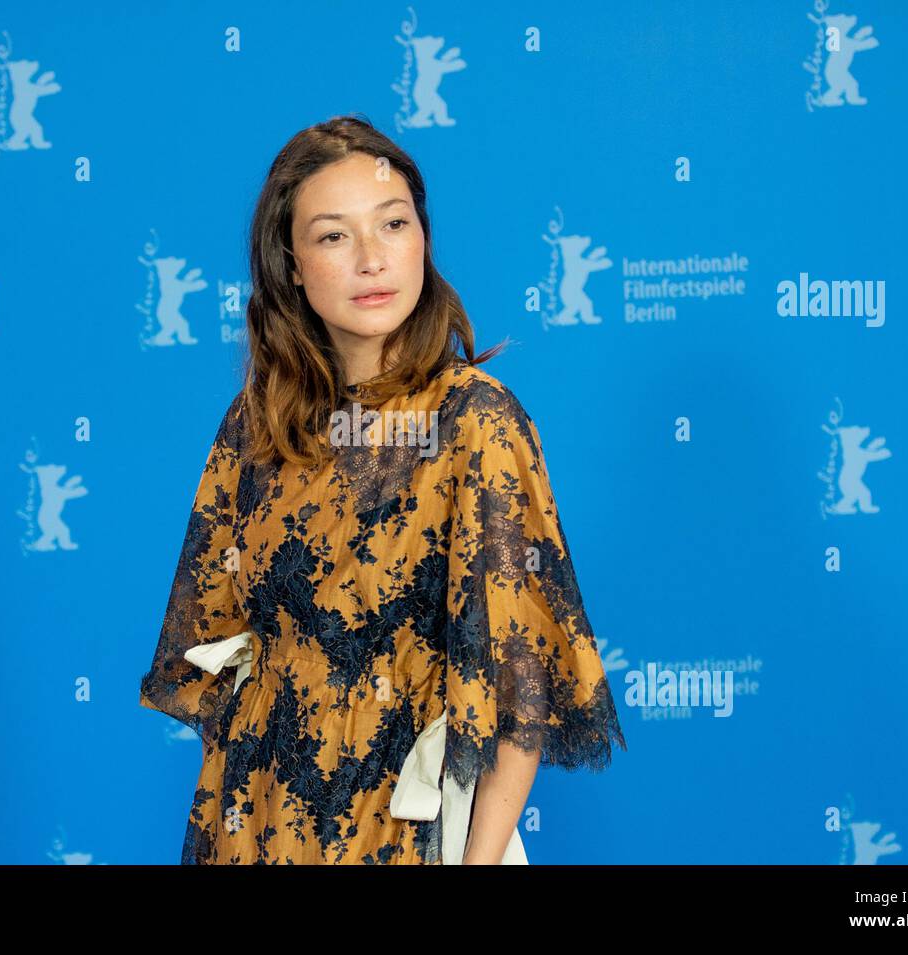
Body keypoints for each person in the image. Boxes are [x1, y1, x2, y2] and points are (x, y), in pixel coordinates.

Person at [139, 114, 626, 864]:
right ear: (291, 264)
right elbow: (221, 649)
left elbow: (515, 695)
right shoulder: (258, 421)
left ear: (422, 241)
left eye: (393, 224)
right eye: (334, 235)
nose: (372, 258)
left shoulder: (474, 420)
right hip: (260, 826)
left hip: (410, 831)